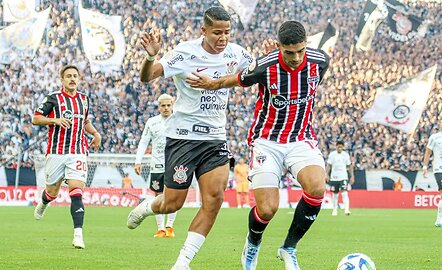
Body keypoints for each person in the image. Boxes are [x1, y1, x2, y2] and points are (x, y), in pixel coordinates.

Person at [187, 20, 330, 270]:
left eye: (300, 51)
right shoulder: (265, 65)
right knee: (267, 209)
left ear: (306, 45)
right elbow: (237, 79)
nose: (296, 58)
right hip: (266, 142)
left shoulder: (321, 61)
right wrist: (211, 83)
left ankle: (288, 248)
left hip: (300, 138)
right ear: (279, 47)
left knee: (317, 188)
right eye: (289, 52)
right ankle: (252, 244)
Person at [127, 6, 253, 270]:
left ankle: (182, 263)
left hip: (215, 140)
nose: (223, 38)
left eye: (227, 32)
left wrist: (269, 58)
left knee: (215, 199)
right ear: (203, 30)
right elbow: (147, 77)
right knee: (172, 203)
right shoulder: (185, 52)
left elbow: (253, 74)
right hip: (183, 138)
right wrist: (151, 57)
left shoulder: (237, 53)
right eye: (217, 32)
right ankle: (148, 207)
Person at [32, 64, 101, 249]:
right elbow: (36, 118)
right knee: (52, 192)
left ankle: (78, 235)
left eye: (75, 76)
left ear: (79, 79)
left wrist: (95, 133)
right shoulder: (53, 98)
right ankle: (45, 202)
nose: (72, 79)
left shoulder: (84, 99)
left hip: (77, 152)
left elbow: (84, 121)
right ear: (62, 79)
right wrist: (54, 120)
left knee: (76, 192)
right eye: (68, 76)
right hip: (56, 152)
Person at [134, 93, 177, 238]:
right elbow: (144, 141)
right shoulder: (152, 122)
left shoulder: (179, 119)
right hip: (157, 165)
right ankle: (161, 229)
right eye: (163, 106)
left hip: (175, 164)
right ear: (158, 107)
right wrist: (138, 161)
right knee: (158, 195)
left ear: (172, 105)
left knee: (173, 195)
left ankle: (170, 227)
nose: (166, 108)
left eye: (168, 105)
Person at [326, 140, 354, 216]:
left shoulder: (345, 155)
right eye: (338, 147)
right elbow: (329, 165)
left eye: (341, 147)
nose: (340, 148)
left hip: (343, 177)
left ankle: (347, 210)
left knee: (344, 193)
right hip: (334, 177)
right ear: (336, 146)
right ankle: (334, 210)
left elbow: (349, 166)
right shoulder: (332, 155)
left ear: (343, 147)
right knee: (335, 194)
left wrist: (352, 176)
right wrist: (326, 174)